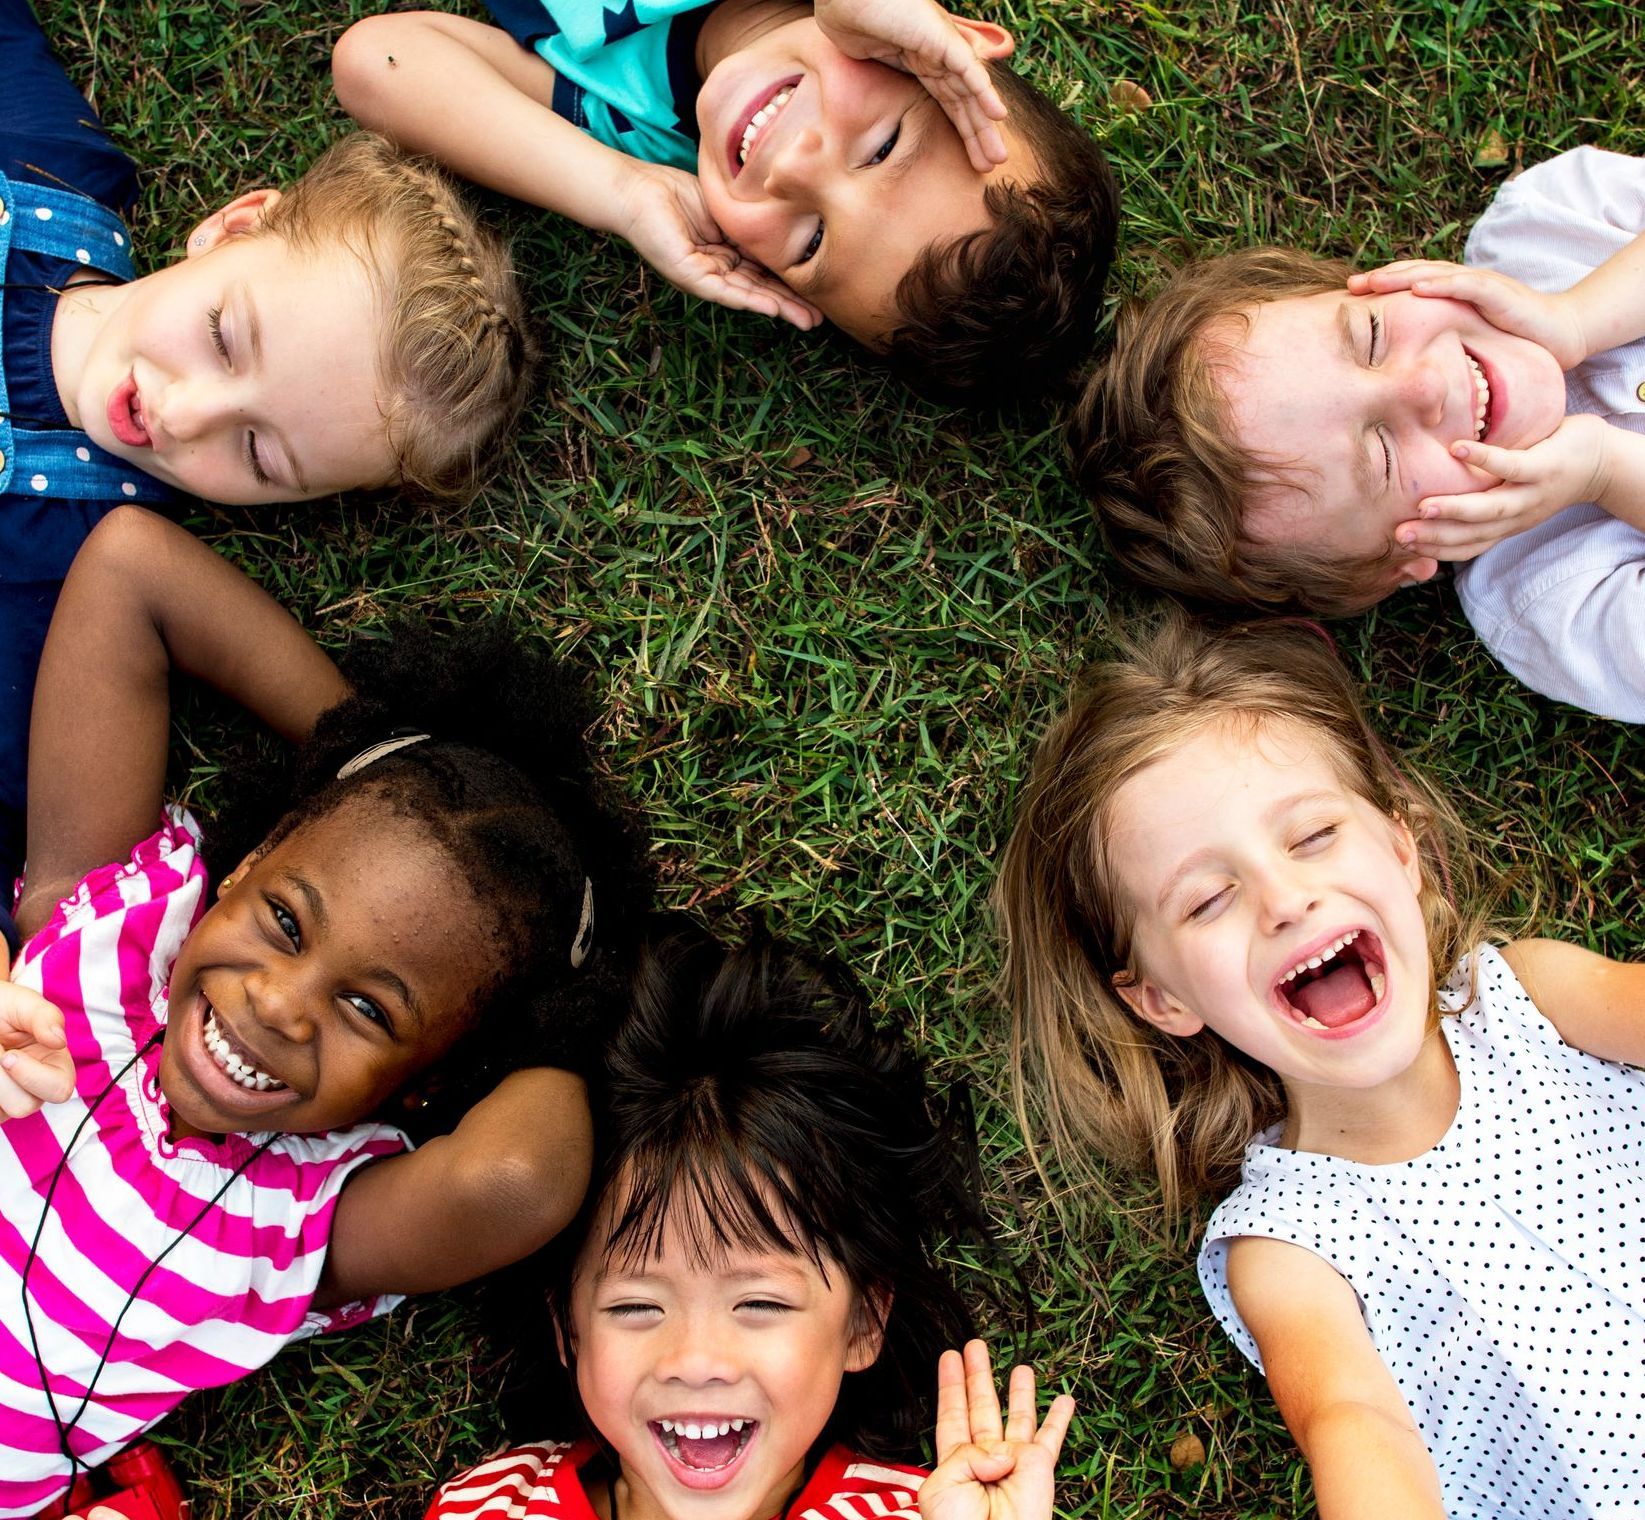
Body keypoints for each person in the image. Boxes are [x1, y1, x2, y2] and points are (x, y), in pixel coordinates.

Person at [0, 506, 653, 1517]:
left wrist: (567, 1012)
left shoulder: (299, 1226)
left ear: (424, 1079)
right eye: (286, 918)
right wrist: (375, 757)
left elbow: (520, 1176)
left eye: (366, 1007)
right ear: (248, 864)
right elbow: (132, 570)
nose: (276, 1001)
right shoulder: (102, 939)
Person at [994, 615, 1644, 1519]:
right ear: (1163, 1001)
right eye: (1208, 898)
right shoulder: (1285, 1246)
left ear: (1402, 848)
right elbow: (1353, 1422)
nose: (1284, 898)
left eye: (1309, 837)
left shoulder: (1532, 997)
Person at [1, 0, 532, 939]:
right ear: (236, 226)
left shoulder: (65, 586)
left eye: (257, 454)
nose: (184, 412)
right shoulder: (52, 170)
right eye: (223, 336)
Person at [422, 924, 1075, 1520]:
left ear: (862, 1323)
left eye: (759, 1301)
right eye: (635, 1307)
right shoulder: (491, 1508)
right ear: (567, 1325)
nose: (697, 1360)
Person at [1067, 147, 1645, 722]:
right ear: (1403, 558)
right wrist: (1608, 470)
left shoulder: (1547, 225)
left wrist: (1579, 317)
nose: (1423, 388)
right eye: (1384, 456)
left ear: (1367, 287)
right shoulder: (1550, 599)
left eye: (1371, 336)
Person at [329, 0, 1118, 407]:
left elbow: (378, 63)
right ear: (946, 44)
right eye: (880, 148)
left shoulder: (631, 126)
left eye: (809, 242)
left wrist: (621, 191)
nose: (795, 170)